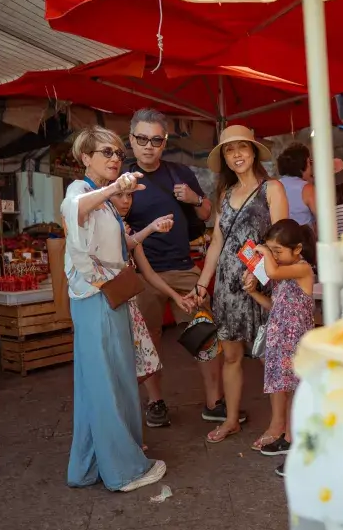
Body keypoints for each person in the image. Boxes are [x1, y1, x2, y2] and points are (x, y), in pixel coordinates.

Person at [61, 125, 166, 492]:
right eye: (106, 152)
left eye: (118, 153)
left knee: (100, 382)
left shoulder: (102, 200)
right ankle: (123, 470)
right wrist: (114, 188)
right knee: (109, 382)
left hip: (108, 296)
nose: (114, 158)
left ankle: (87, 465)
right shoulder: (81, 190)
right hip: (97, 299)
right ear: (86, 157)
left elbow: (120, 245)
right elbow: (72, 211)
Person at [125, 108, 225, 429]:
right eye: (142, 139)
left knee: (203, 331)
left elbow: (208, 214)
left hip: (183, 268)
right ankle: (155, 402)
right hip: (142, 274)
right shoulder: (123, 179)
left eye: (156, 139)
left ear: (165, 142)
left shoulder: (179, 172)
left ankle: (215, 401)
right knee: (149, 339)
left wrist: (195, 198)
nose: (149, 146)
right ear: (132, 140)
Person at [192, 125, 288, 444]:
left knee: (267, 355)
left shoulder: (271, 188)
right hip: (227, 287)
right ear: (225, 157)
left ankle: (279, 425)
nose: (237, 155)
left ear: (253, 152)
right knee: (231, 356)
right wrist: (203, 285)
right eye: (230, 150)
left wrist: (263, 269)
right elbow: (217, 243)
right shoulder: (223, 194)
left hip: (260, 283)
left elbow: (281, 239)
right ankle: (232, 419)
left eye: (242, 148)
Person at [242, 219, 316, 478]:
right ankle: (289, 439)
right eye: (271, 250)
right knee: (285, 389)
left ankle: (298, 450)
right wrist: (253, 293)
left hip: (295, 344)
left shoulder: (302, 268)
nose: (273, 256)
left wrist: (262, 253)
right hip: (280, 341)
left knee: (297, 395)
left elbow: (271, 272)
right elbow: (276, 306)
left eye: (277, 251)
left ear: (297, 249)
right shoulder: (284, 270)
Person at [109, 191, 193, 385]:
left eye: (129, 196)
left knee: (132, 362)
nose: (125, 201)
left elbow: (148, 272)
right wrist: (151, 228)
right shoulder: (105, 227)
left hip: (124, 301)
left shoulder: (128, 232)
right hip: (106, 302)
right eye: (119, 195)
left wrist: (176, 296)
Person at [276, 142, 316, 228]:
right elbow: (324, 220)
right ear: (303, 164)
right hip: (304, 239)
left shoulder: (275, 185)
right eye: (309, 162)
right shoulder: (307, 189)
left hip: (280, 238)